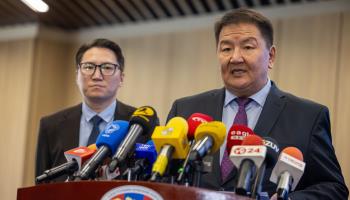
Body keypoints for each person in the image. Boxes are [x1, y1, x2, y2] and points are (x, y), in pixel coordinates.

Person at [167, 9, 348, 199]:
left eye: (247, 47)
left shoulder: (308, 116)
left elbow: (333, 188)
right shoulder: (186, 111)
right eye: (226, 49)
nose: (235, 57)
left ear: (270, 57)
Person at [35, 39, 148, 182]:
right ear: (77, 75)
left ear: (121, 78)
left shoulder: (140, 124)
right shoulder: (51, 125)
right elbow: (41, 184)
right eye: (89, 67)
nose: (97, 76)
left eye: (107, 67)